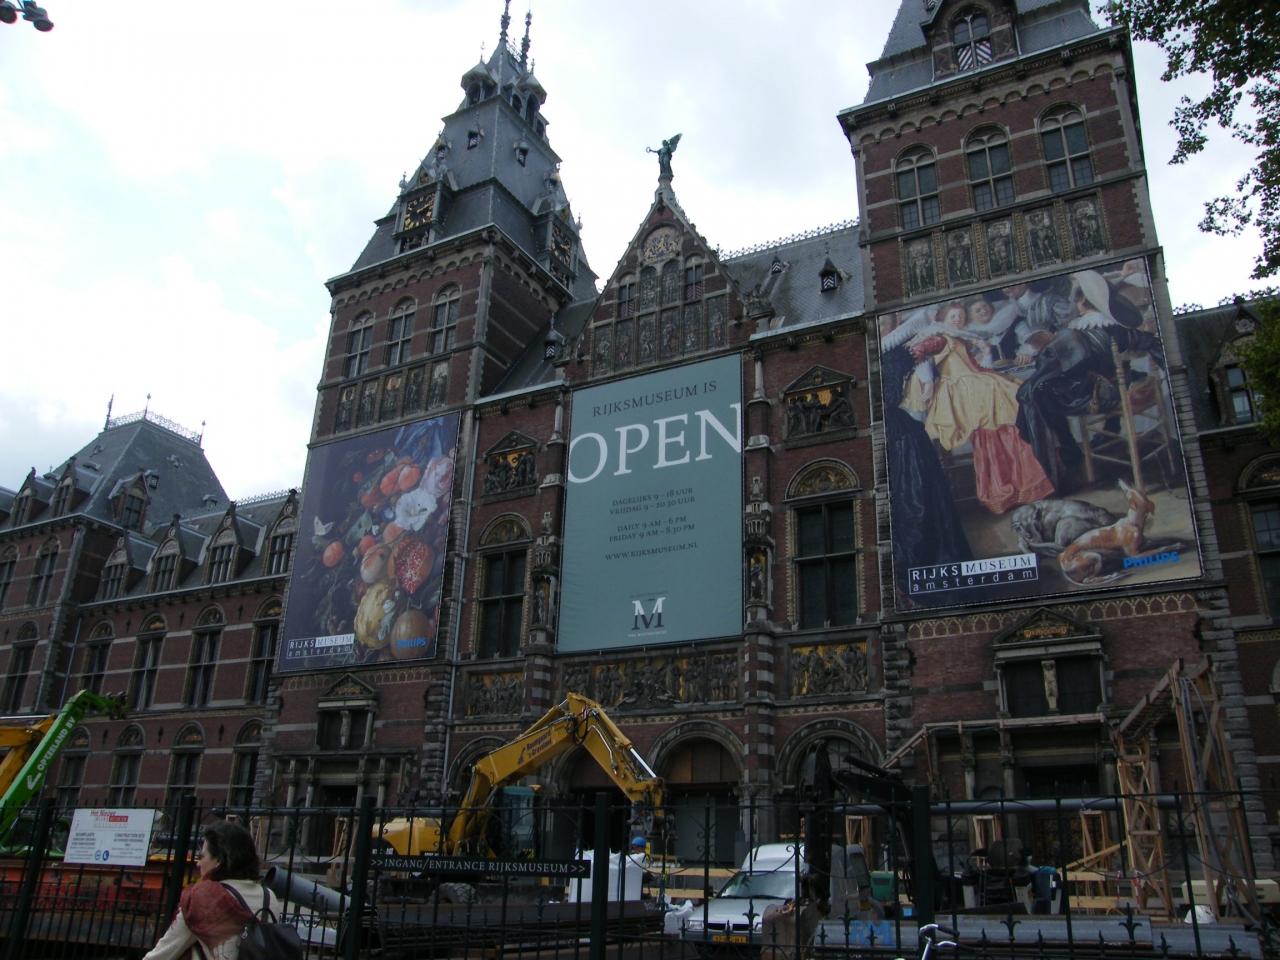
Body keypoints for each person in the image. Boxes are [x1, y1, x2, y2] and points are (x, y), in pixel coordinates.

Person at [902, 302, 1055, 514]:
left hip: (975, 385)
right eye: (953, 316)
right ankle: (1006, 488)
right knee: (1005, 410)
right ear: (942, 319)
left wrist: (986, 352)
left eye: (961, 316)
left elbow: (977, 367)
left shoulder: (960, 336)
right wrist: (927, 381)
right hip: (962, 390)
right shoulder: (940, 337)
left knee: (1010, 415)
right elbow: (915, 352)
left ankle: (1023, 484)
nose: (958, 320)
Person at [144, 821, 272, 960]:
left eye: (202, 856)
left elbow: (162, 955)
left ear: (218, 861)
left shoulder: (203, 898)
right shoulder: (268, 897)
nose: (198, 864)